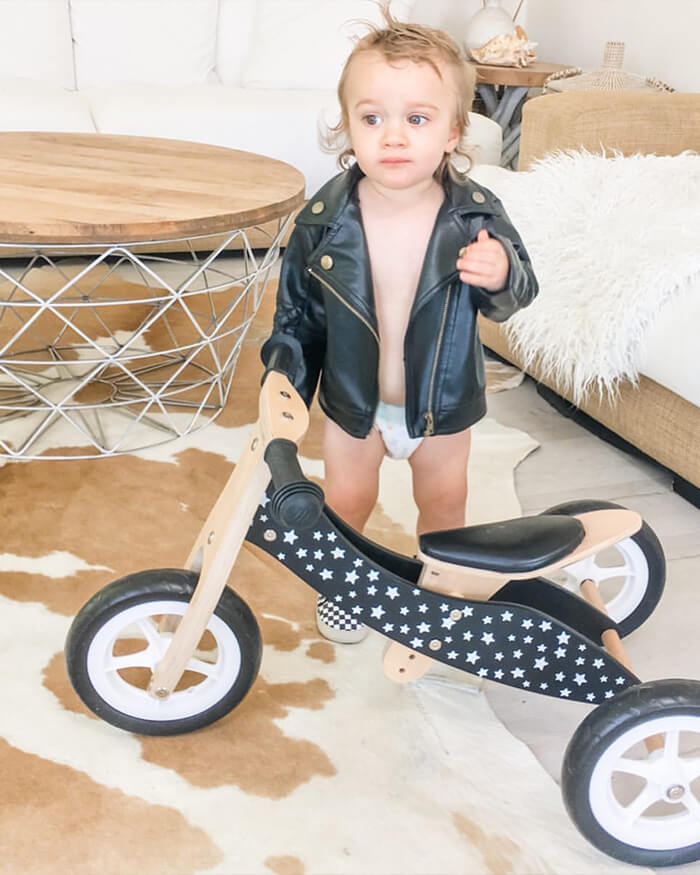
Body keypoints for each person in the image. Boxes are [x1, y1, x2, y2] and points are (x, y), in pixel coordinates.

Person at [261, 9, 538, 643]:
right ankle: (351, 591)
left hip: (442, 408)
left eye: (416, 119)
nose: (392, 137)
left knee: (443, 511)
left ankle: (436, 592)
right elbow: (297, 317)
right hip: (354, 404)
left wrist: (499, 274)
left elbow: (517, 293)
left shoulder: (474, 215)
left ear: (452, 131)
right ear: (348, 128)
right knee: (345, 505)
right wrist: (284, 384)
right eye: (372, 118)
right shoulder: (323, 221)